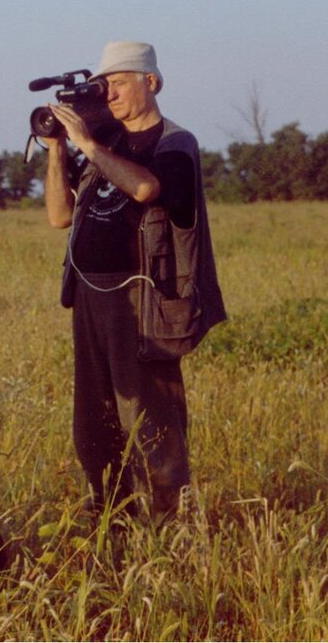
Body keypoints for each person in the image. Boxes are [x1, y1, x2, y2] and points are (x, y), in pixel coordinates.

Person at [42, 41, 225, 517]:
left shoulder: (173, 142)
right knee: (94, 422)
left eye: (120, 83)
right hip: (89, 298)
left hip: (145, 301)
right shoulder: (109, 144)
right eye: (105, 87)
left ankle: (168, 529)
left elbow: (145, 187)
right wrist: (58, 150)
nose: (112, 95)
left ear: (151, 82)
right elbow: (60, 216)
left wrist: (88, 144)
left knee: (149, 422)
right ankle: (110, 522)